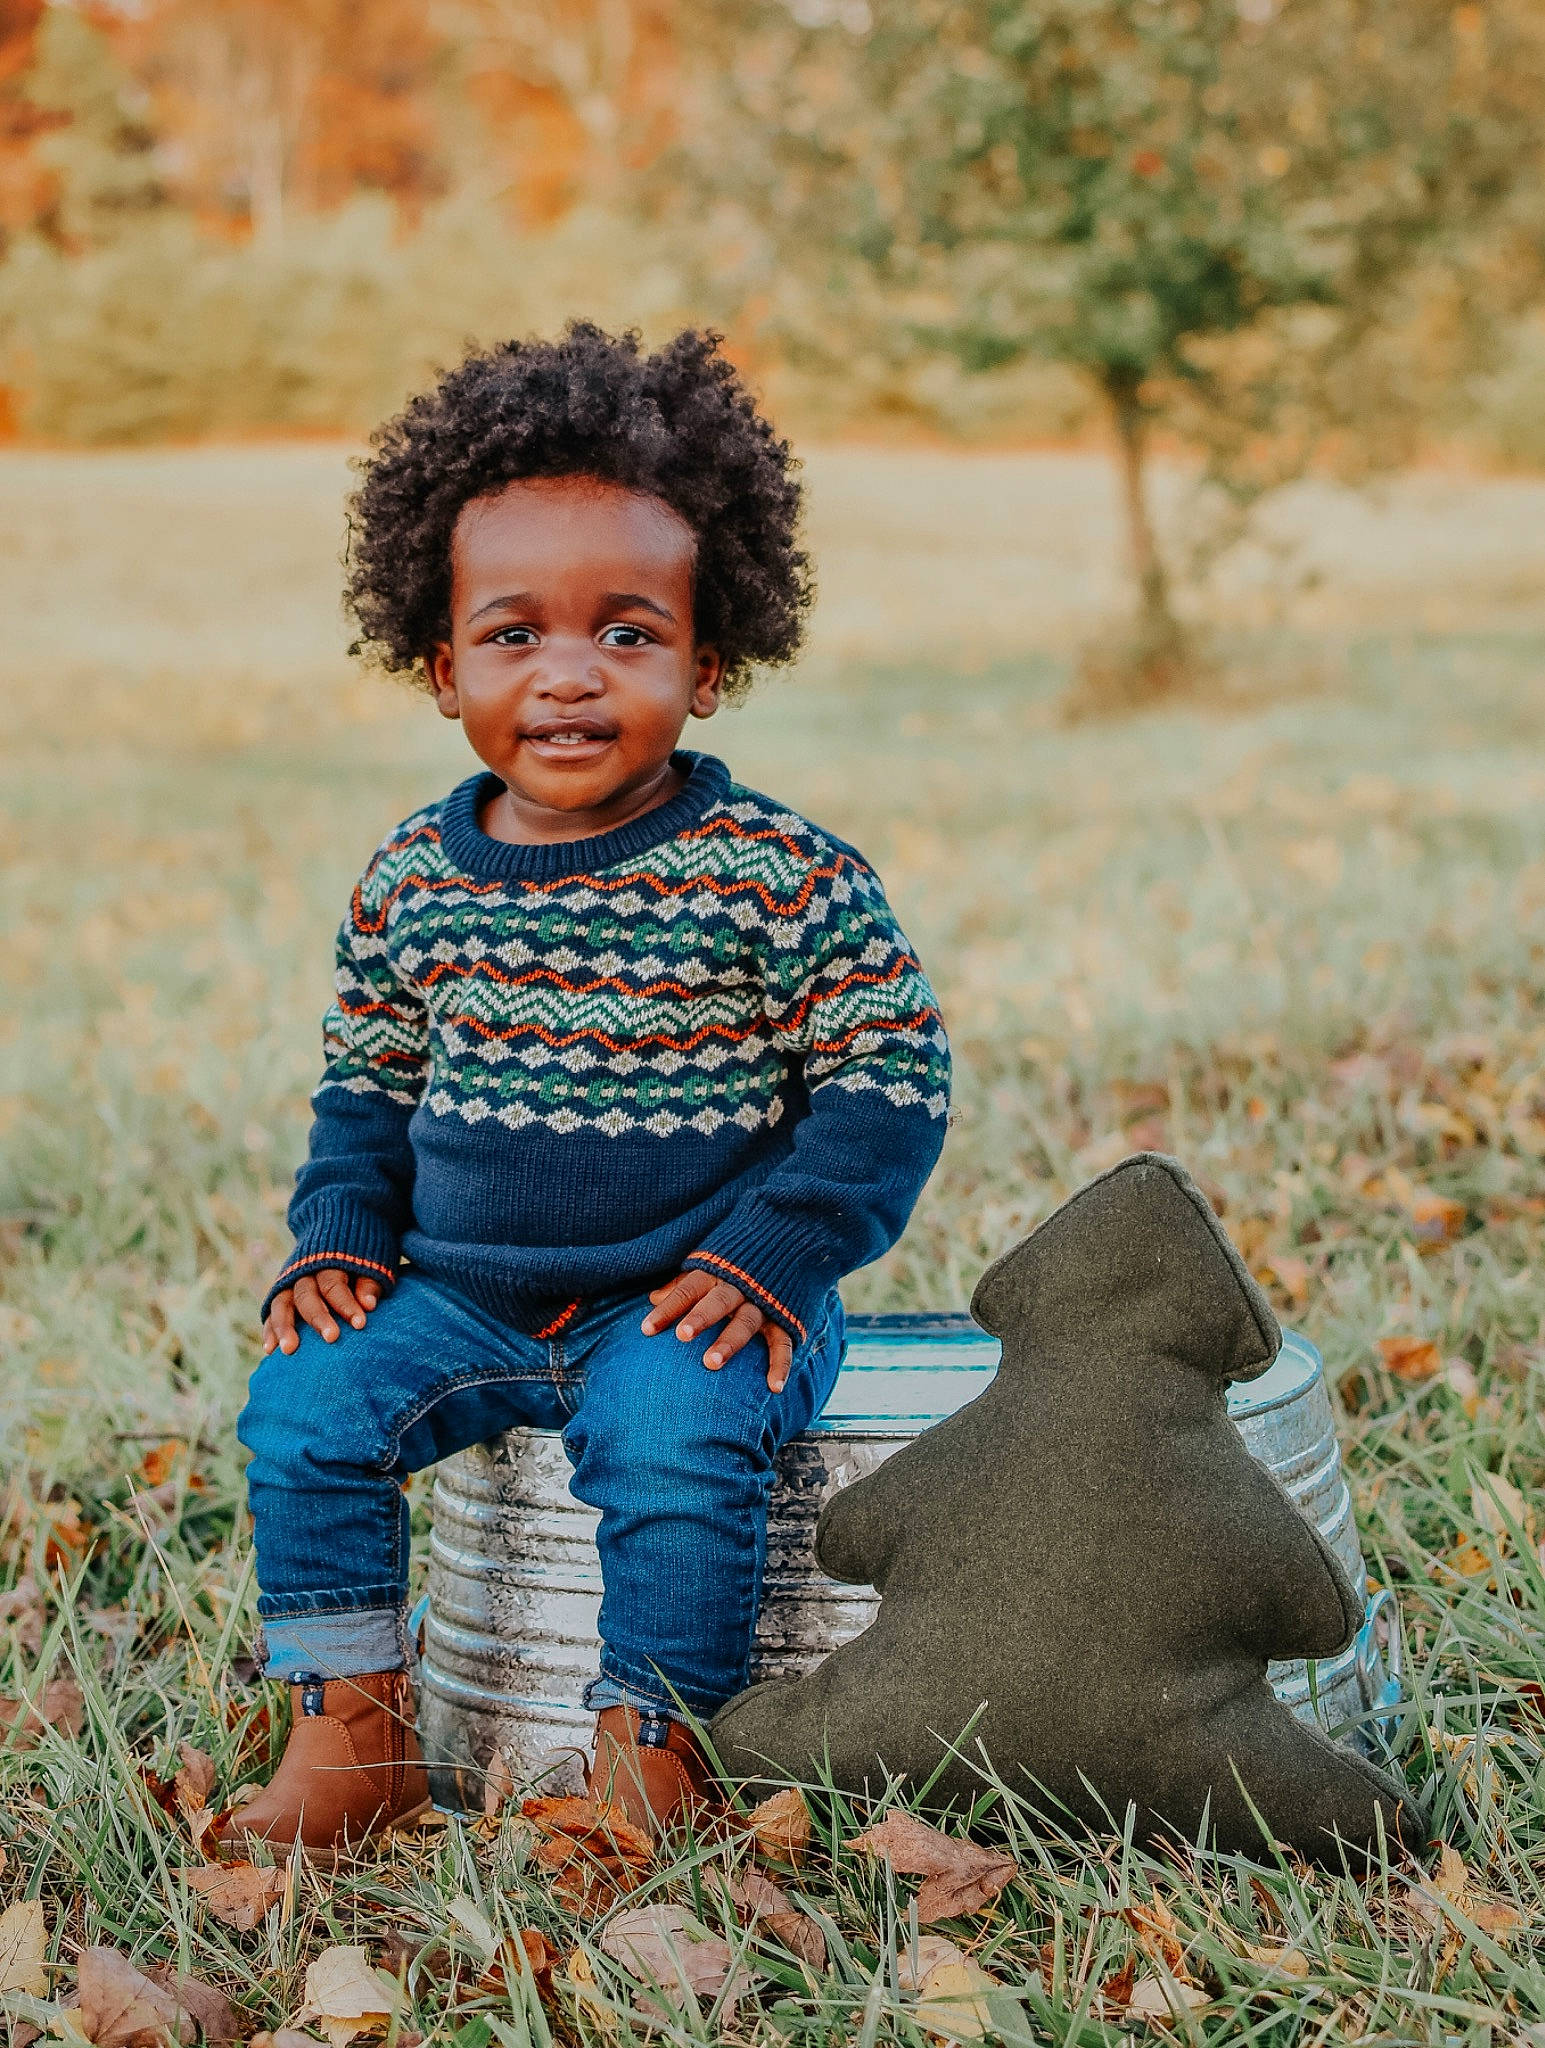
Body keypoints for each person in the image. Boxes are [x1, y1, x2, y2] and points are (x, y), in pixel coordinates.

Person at [225, 325, 951, 1855]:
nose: (567, 674)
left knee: (677, 1445)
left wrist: (778, 1253)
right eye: (512, 637)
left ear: (710, 661)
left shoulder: (776, 875)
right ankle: (353, 1732)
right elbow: (368, 1081)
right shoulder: (417, 876)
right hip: (463, 1296)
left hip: (692, 1292)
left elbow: (886, 1074)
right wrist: (340, 1233)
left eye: (628, 635)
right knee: (303, 1405)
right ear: (440, 668)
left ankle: (653, 1758)